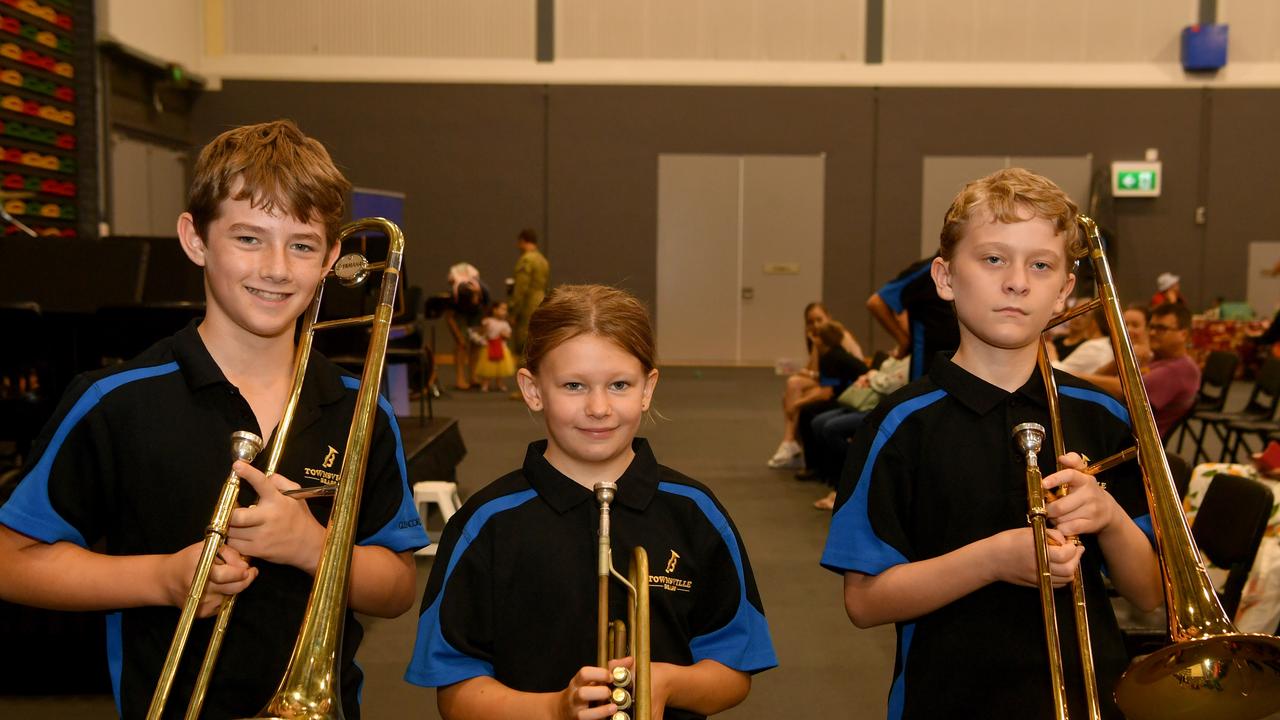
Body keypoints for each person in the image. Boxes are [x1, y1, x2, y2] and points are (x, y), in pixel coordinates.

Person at [0, 120, 427, 719]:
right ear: (195, 239)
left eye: (302, 244)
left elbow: (398, 588)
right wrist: (164, 580)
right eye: (249, 238)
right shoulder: (115, 400)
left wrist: (313, 546)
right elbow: (10, 559)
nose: (277, 268)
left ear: (332, 257)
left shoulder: (360, 404)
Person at [822, 168, 1162, 719]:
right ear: (946, 278)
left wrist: (1108, 515)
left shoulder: (1106, 414)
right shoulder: (900, 422)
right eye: (994, 258)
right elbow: (864, 602)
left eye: (1041, 265)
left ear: (1064, 293)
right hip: (947, 699)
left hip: (1089, 696)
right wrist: (992, 561)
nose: (1018, 282)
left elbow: (1148, 593)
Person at [406, 284, 776, 720]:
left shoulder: (695, 512)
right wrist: (555, 709)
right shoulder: (485, 523)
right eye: (574, 385)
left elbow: (735, 670)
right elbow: (455, 693)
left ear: (648, 388)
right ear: (532, 389)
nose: (599, 407)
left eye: (619, 384)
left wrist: (670, 683)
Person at [767, 302, 866, 468]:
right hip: (832, 382)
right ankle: (790, 442)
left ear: (829, 317)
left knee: (798, 398)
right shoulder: (821, 341)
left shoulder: (840, 338)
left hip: (851, 387)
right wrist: (815, 345)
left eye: (819, 320)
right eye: (811, 322)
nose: (816, 325)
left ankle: (792, 442)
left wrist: (798, 403)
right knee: (792, 387)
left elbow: (831, 382)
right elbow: (815, 370)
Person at [1083, 303, 1200, 440]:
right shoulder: (1158, 358)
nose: (1152, 333)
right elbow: (1099, 379)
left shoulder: (1178, 369)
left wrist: (1070, 376)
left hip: (1130, 443)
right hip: (1114, 428)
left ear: (1183, 334)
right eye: (1152, 327)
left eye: (1161, 328)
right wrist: (1122, 359)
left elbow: (1123, 390)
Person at [866, 255, 960, 382]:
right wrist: (903, 340)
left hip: (961, 369)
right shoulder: (927, 271)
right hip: (928, 370)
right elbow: (876, 302)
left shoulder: (968, 269)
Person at [445, 262, 491, 390]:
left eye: (477, 297)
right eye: (473, 298)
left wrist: (482, 330)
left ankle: (473, 377)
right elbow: (449, 318)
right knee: (461, 346)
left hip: (476, 315)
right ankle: (460, 379)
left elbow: (486, 312)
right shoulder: (455, 296)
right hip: (460, 316)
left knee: (476, 344)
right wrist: (459, 336)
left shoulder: (484, 293)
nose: (475, 300)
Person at [509, 228, 550, 362]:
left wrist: (513, 310)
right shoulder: (542, 260)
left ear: (522, 241)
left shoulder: (526, 260)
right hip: (540, 301)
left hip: (527, 304)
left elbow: (521, 288)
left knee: (524, 341)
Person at [474, 300, 516, 392]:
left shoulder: (505, 324)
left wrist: (505, 335)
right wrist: (483, 333)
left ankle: (499, 382)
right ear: (494, 310)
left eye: (505, 310)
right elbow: (482, 333)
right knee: (488, 366)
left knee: (500, 366)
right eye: (502, 309)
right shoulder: (488, 321)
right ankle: (486, 383)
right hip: (489, 346)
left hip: (501, 347)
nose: (504, 312)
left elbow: (508, 335)